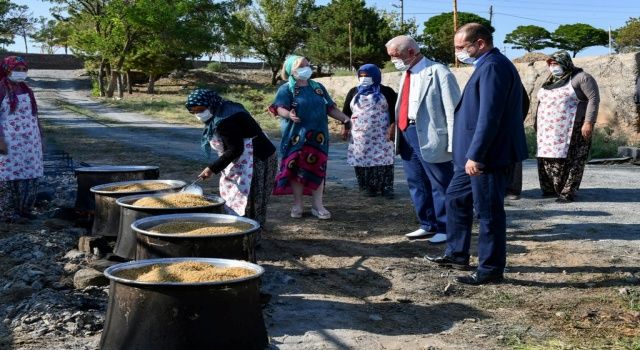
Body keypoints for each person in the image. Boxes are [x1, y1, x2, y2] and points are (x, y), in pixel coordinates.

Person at [426, 23, 528, 285]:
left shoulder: (493, 66)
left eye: (462, 47)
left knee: (488, 212)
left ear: (480, 43)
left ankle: (491, 269)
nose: (458, 52)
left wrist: (478, 154)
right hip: (468, 156)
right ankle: (457, 253)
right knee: (456, 198)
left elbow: (490, 116)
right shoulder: (486, 65)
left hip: (485, 157)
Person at [385, 35, 460, 244]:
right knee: (416, 181)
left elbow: (453, 110)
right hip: (407, 132)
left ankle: (446, 228)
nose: (393, 61)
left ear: (411, 52)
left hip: (430, 135)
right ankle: (428, 224)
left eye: (395, 56)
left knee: (440, 183)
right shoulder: (406, 73)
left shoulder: (439, 72)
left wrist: (454, 143)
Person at [269, 55, 351, 220]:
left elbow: (330, 107)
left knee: (317, 168)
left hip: (318, 137)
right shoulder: (287, 89)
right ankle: (298, 204)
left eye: (307, 65)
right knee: (297, 169)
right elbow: (279, 108)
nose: (306, 68)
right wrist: (289, 115)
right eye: (301, 66)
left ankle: (317, 205)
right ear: (291, 70)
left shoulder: (318, 88)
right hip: (296, 137)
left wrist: (344, 118)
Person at [185, 88, 277, 229]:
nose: (198, 114)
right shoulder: (224, 107)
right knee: (253, 199)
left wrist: (212, 168)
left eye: (201, 109)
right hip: (257, 153)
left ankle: (247, 233)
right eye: (193, 111)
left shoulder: (224, 120)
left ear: (210, 104)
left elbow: (235, 149)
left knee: (248, 199)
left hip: (256, 159)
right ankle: (251, 229)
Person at [535, 51, 600, 203]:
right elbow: (541, 102)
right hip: (548, 130)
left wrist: (588, 122)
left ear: (565, 62)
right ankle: (550, 188)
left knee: (572, 160)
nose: (553, 67)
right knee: (548, 158)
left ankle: (567, 192)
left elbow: (593, 99)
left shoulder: (582, 78)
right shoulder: (550, 80)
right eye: (550, 64)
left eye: (556, 63)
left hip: (573, 128)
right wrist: (536, 122)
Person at [342, 64, 397, 198]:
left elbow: (395, 111)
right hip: (360, 135)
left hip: (382, 134)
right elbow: (346, 112)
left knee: (384, 160)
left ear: (376, 76)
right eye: (361, 76)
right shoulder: (353, 92)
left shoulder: (387, 91)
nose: (364, 78)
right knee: (362, 159)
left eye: (367, 76)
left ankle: (386, 187)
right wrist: (345, 127)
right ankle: (367, 187)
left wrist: (393, 127)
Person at [0, 56, 43, 223]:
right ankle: (8, 213)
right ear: (7, 70)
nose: (21, 73)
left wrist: (41, 139)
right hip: (8, 140)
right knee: (7, 176)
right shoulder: (1, 88)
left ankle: (25, 209)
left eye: (24, 70)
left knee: (29, 173)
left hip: (30, 141)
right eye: (17, 69)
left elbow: (35, 115)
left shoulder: (26, 89)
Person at [505, 85, 531, 200]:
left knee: (514, 158)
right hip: (494, 125)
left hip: (512, 124)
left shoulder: (512, 79)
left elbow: (524, 102)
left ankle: (513, 189)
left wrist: (517, 120)